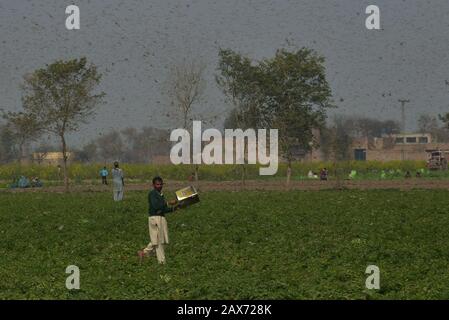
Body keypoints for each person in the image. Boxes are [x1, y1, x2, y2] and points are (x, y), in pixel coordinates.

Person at [138, 176, 179, 264]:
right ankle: (161, 262)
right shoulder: (152, 194)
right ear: (153, 185)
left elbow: (163, 209)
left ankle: (144, 252)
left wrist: (174, 208)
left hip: (161, 218)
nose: (159, 186)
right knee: (159, 241)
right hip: (155, 218)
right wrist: (167, 203)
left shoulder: (161, 194)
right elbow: (156, 206)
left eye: (161, 184)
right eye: (157, 184)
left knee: (158, 239)